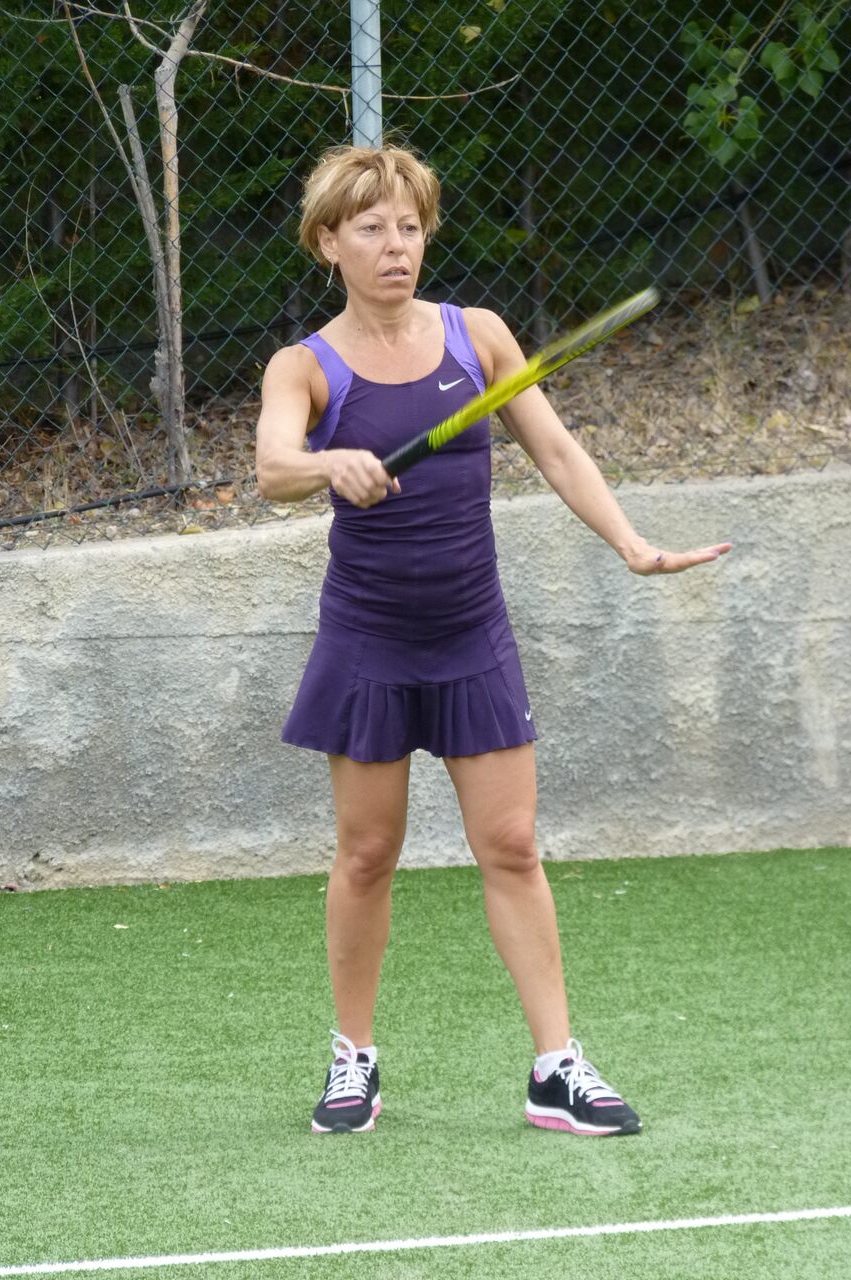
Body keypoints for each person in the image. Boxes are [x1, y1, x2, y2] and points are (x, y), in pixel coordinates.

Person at [255, 144, 731, 1138]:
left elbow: (553, 447)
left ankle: (556, 1068)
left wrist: (631, 544)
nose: (397, 246)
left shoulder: (477, 336)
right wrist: (331, 464)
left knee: (512, 845)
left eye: (411, 227)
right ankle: (353, 1059)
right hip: (368, 639)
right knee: (367, 853)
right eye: (372, 229)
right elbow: (271, 467)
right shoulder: (305, 365)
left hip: (472, 631)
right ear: (328, 242)